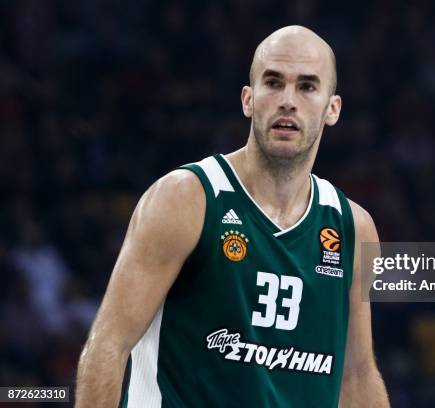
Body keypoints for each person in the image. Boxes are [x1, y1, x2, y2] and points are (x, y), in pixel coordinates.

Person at [76, 25, 389, 407]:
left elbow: (357, 374)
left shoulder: (353, 227)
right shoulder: (186, 198)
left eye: (307, 87)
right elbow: (109, 343)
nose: (287, 100)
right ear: (248, 99)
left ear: (332, 108)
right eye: (273, 82)